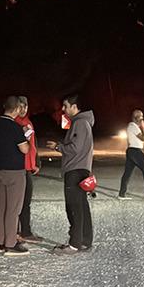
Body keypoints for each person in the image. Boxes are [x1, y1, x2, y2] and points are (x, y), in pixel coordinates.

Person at [46, 94, 95, 255]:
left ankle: (74, 244)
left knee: (74, 207)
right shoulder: (82, 122)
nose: (63, 109)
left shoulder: (80, 123)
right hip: (81, 168)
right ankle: (85, 240)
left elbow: (75, 147)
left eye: (66, 106)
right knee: (81, 206)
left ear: (75, 107)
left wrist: (58, 147)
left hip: (75, 169)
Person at [0, 96, 31, 256]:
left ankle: (1, 242)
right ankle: (11, 244)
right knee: (13, 209)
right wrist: (26, 136)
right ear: (18, 108)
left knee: (2, 207)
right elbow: (25, 149)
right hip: (14, 172)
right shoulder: (15, 127)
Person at [15, 96, 42, 243]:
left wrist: (36, 162)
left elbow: (33, 144)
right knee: (20, 202)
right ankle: (20, 232)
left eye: (25, 106)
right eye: (20, 106)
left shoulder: (28, 122)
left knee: (26, 201)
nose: (23, 109)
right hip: (19, 168)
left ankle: (25, 231)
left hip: (28, 167)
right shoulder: (15, 123)